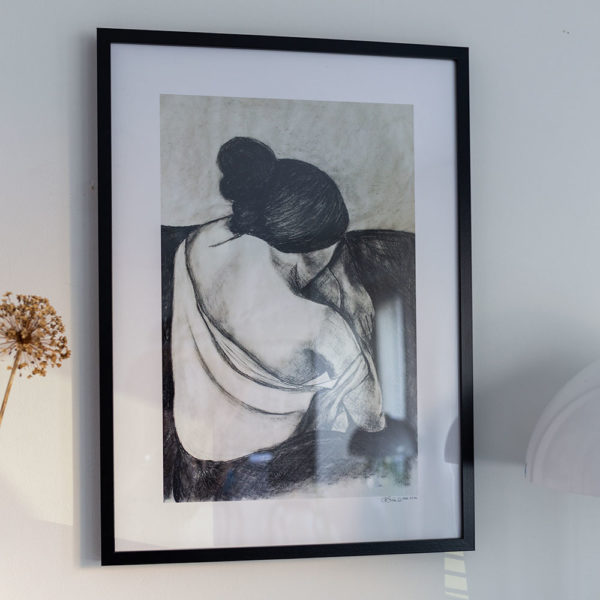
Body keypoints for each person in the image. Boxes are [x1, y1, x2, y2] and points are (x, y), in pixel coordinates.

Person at [170, 137, 386, 466]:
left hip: (193, 435)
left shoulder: (197, 243)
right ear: (317, 251)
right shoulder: (323, 327)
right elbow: (372, 420)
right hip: (256, 452)